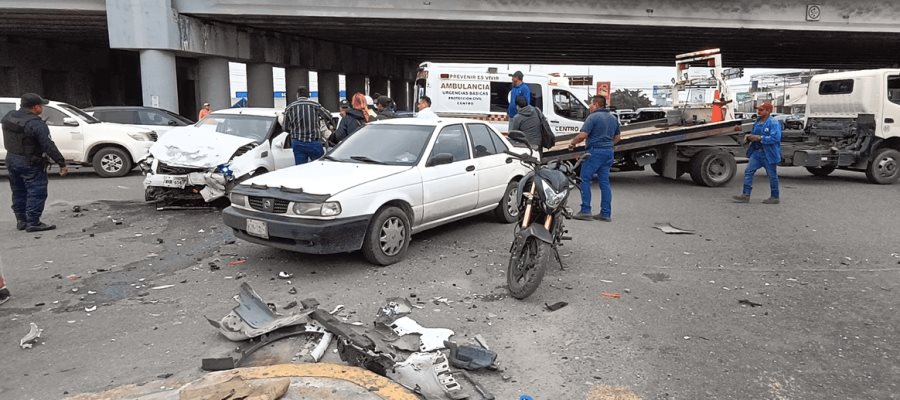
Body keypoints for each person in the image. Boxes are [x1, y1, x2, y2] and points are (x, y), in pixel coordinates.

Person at [1, 93, 69, 232]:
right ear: (36, 107)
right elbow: (48, 145)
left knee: (19, 191)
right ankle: (33, 222)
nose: (42, 108)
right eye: (41, 106)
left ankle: (21, 220)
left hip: (11, 158)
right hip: (30, 161)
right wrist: (61, 163)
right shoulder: (35, 123)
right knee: (36, 191)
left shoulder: (9, 117)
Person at [567, 95, 620, 222]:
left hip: (594, 152)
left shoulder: (593, 117)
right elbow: (618, 138)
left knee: (585, 179)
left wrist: (572, 143)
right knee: (604, 183)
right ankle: (605, 213)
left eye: (591, 104)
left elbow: (583, 135)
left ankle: (585, 210)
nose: (590, 106)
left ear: (596, 104)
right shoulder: (613, 118)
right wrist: (608, 145)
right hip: (608, 153)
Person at [733, 102, 782, 204]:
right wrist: (748, 136)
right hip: (757, 152)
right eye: (758, 109)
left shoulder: (773, 123)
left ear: (768, 111)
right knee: (748, 171)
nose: (758, 111)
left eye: (761, 110)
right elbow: (754, 133)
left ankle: (775, 197)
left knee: (772, 175)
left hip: (769, 153)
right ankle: (745, 195)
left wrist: (760, 138)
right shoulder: (758, 121)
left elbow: (775, 138)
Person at [283, 86, 332, 165]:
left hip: (298, 143)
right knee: (319, 167)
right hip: (314, 142)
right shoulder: (315, 105)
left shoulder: (290, 107)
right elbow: (328, 116)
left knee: (301, 168)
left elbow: (285, 127)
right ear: (308, 95)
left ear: (297, 95)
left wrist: (294, 130)